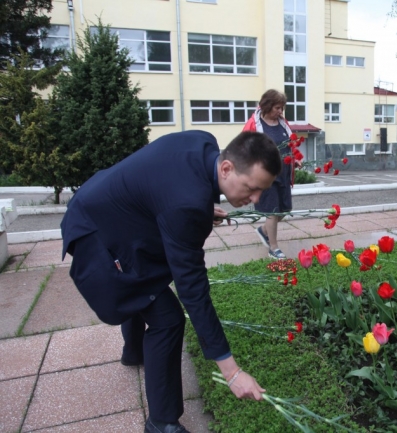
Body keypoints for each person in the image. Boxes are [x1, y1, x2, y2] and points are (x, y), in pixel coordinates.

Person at [60, 130, 281, 433]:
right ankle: (161, 423)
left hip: (106, 204)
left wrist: (202, 207)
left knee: (146, 279)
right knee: (168, 317)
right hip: (95, 229)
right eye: (252, 188)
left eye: (261, 192)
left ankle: (134, 351)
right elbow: (193, 289)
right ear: (227, 168)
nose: (256, 200)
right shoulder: (186, 205)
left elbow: (170, 189)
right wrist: (231, 371)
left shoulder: (204, 144)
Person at [243, 89, 295, 259]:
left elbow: (290, 144)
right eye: (277, 108)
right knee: (272, 211)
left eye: (282, 108)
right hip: (266, 175)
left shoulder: (282, 123)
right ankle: (274, 248)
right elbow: (244, 147)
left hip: (284, 173)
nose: (280, 111)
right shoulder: (254, 124)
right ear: (267, 106)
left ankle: (264, 230)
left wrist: (295, 159)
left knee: (284, 210)